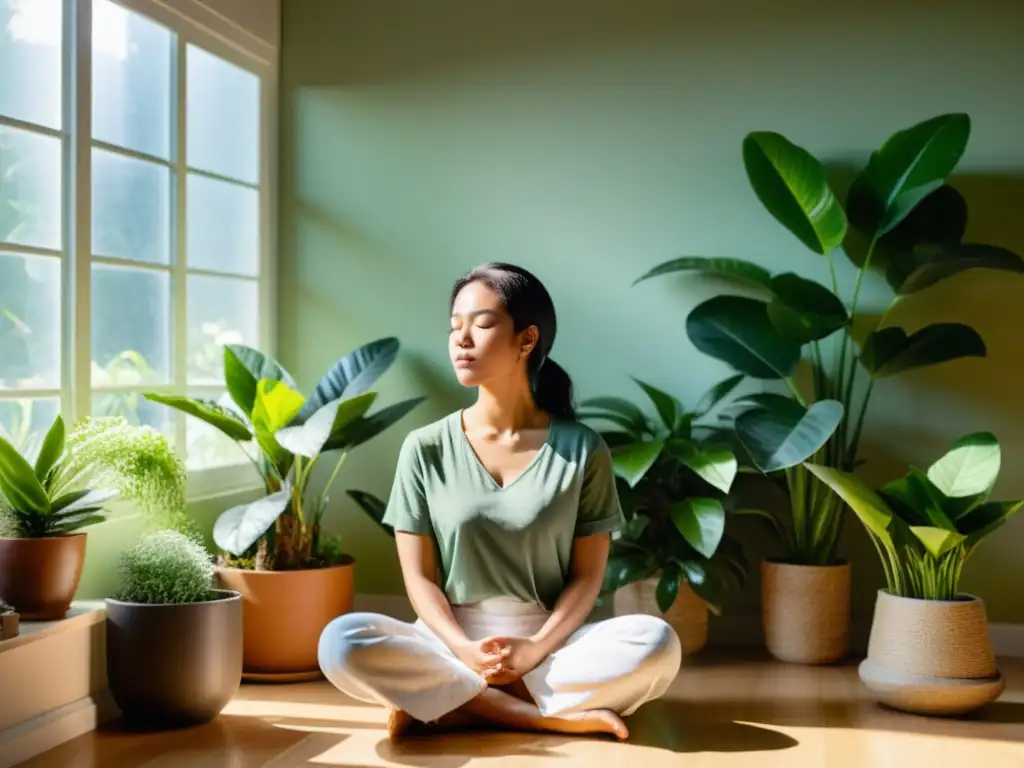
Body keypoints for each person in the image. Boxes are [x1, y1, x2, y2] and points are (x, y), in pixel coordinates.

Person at [318, 262, 681, 741]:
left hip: (548, 644)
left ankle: (451, 703)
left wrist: (533, 647)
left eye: (482, 324)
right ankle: (533, 715)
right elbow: (419, 578)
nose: (461, 339)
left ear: (526, 340)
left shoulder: (582, 449)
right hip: (446, 641)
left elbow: (588, 578)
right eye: (454, 327)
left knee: (658, 643)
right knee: (340, 642)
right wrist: (463, 650)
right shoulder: (425, 447)